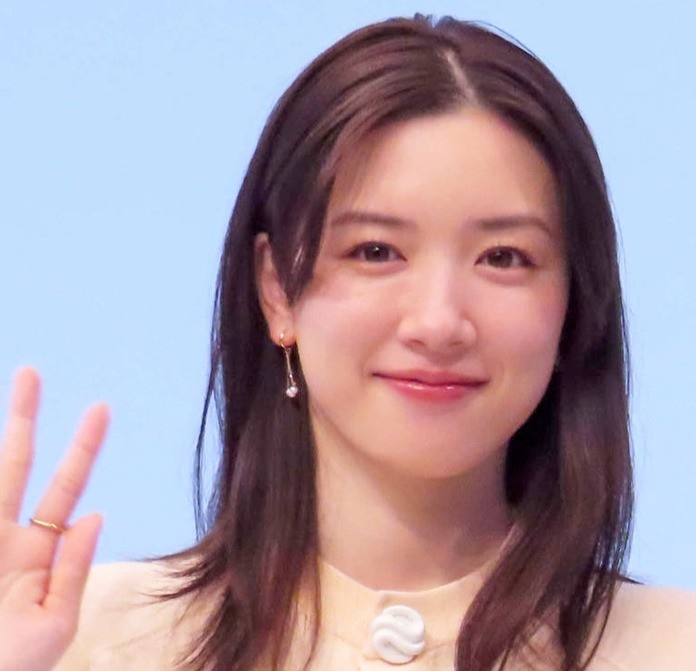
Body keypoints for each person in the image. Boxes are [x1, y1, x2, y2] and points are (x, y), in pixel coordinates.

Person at [1, 13, 694, 671]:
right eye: (375, 251)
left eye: (504, 258)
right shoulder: (82, 639)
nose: (438, 322)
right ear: (277, 289)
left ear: (574, 299)